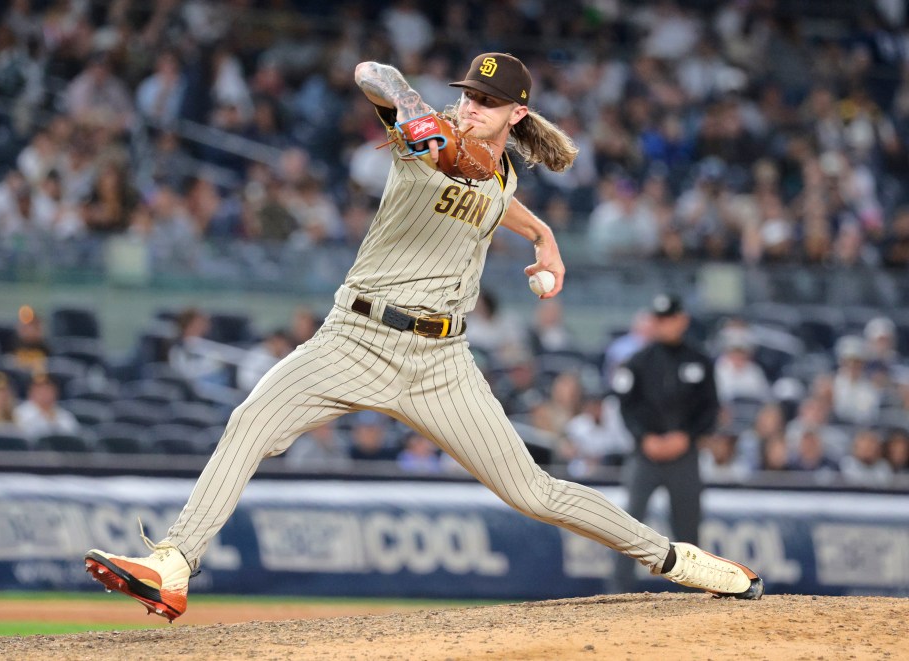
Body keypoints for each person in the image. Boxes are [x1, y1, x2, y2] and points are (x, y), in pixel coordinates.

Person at [84, 53, 762, 622]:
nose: (472, 109)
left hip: (442, 361)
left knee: (534, 491)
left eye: (490, 103)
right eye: (469, 96)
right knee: (251, 419)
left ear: (516, 115)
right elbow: (369, 71)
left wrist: (544, 234)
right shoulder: (423, 138)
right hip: (354, 337)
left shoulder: (503, 172)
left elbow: (495, 196)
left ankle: (677, 560)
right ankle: (173, 562)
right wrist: (410, 104)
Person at [611, 293, 721, 593]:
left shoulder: (700, 360)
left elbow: (711, 408)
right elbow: (626, 407)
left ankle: (693, 592)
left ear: (682, 320)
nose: (664, 325)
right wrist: (644, 438)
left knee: (687, 527)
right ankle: (618, 591)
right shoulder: (638, 362)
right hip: (645, 455)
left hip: (684, 455)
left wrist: (687, 436)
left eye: (669, 318)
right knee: (628, 524)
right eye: (659, 319)